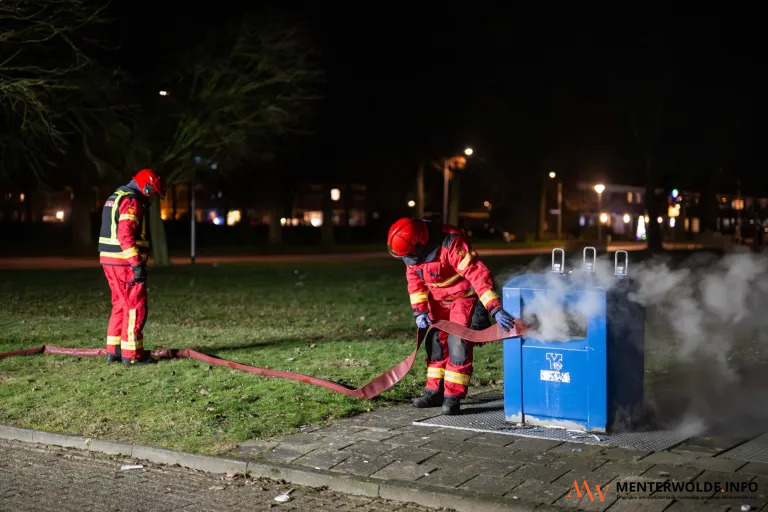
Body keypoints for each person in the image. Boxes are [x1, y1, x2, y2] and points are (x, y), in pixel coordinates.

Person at [387, 218, 515, 415]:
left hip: (462, 299)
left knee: (458, 345)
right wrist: (420, 310)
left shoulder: (451, 244)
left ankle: (452, 397)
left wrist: (494, 307)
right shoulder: (412, 253)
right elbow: (415, 283)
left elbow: (477, 275)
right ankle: (434, 391)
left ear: (421, 243)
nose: (409, 259)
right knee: (436, 344)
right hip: (436, 302)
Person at [98, 169, 166, 365]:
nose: (152, 199)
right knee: (135, 306)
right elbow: (125, 235)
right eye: (152, 193)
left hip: (109, 260)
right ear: (146, 187)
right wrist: (136, 264)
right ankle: (132, 356)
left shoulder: (116, 196)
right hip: (124, 263)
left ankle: (114, 352)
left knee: (120, 305)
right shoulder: (132, 201)